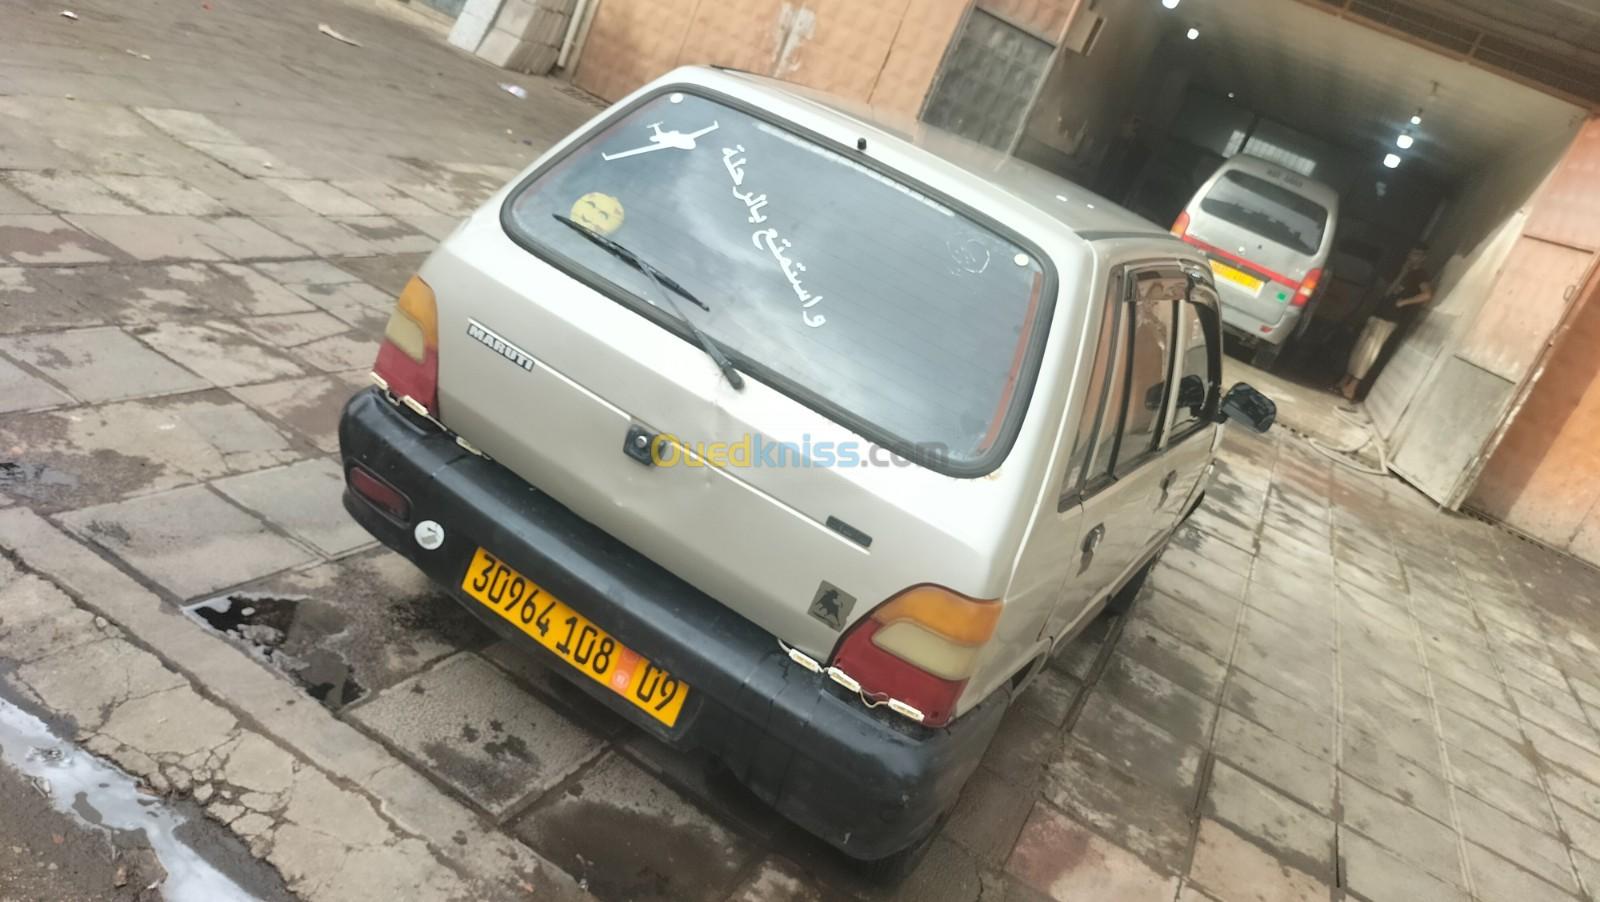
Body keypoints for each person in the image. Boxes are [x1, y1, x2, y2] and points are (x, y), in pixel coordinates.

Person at [1338, 244, 1433, 400]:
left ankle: (1352, 387)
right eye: (1411, 253)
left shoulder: (1420, 275)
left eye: (1416, 254)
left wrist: (1403, 302)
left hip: (1390, 318)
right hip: (1379, 314)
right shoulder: (1405, 272)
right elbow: (1388, 291)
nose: (1411, 257)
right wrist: (1402, 272)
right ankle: (1345, 381)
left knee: (1369, 353)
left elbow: (1427, 295)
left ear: (1423, 258)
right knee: (1359, 349)